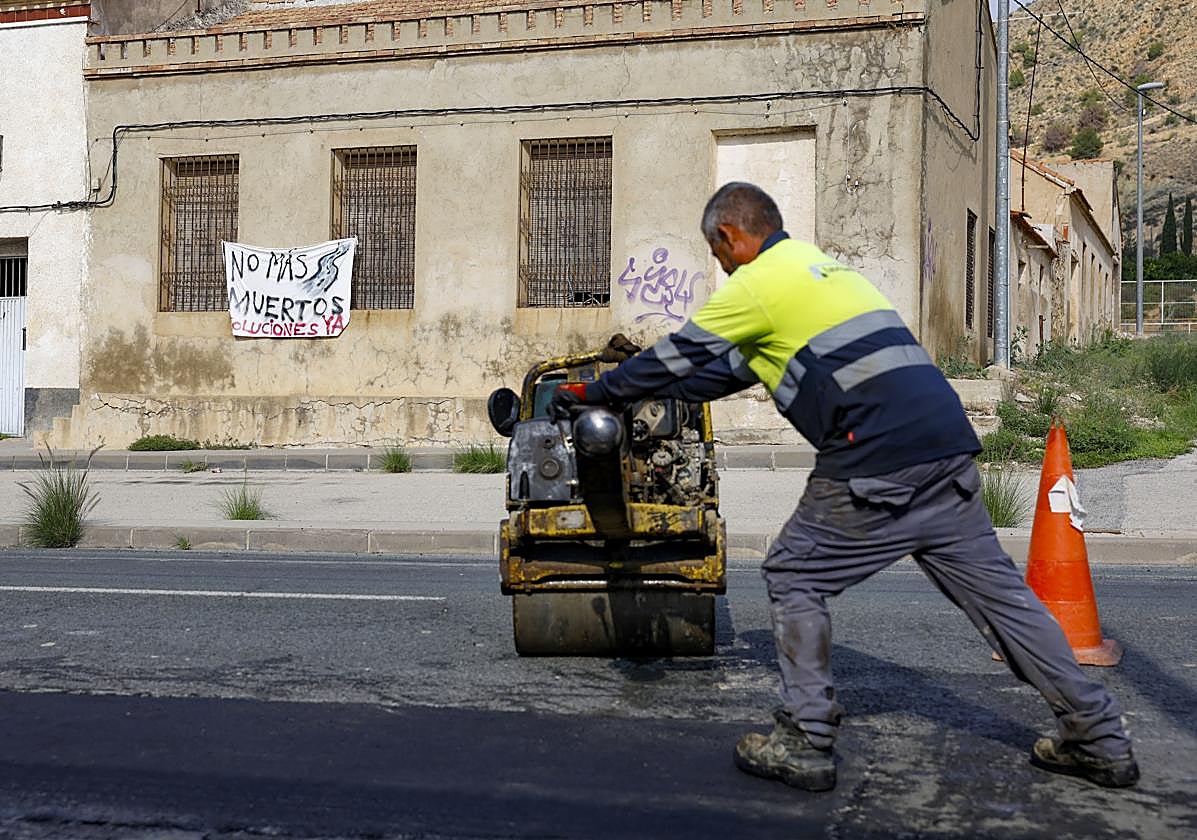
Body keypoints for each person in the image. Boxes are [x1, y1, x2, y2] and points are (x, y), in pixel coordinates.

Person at [551, 182, 1139, 792]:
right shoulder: (828, 275)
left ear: (730, 237)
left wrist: (594, 392)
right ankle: (1098, 737)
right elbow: (718, 376)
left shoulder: (757, 283)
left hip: (875, 457)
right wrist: (649, 390)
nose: (720, 268)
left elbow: (676, 357)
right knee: (1004, 604)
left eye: (717, 253)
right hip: (946, 450)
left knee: (794, 573)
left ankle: (805, 740)